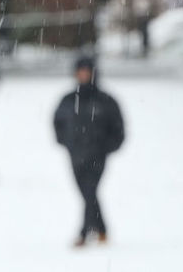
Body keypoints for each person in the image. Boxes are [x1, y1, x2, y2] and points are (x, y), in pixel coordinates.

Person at [54, 57, 125, 247]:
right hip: (76, 154)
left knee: (90, 190)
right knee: (87, 194)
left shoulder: (106, 100)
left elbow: (118, 128)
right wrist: (66, 142)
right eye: (80, 71)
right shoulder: (68, 100)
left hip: (97, 155)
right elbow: (58, 123)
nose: (83, 75)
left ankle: (84, 233)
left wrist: (107, 147)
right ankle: (101, 230)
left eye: (87, 71)